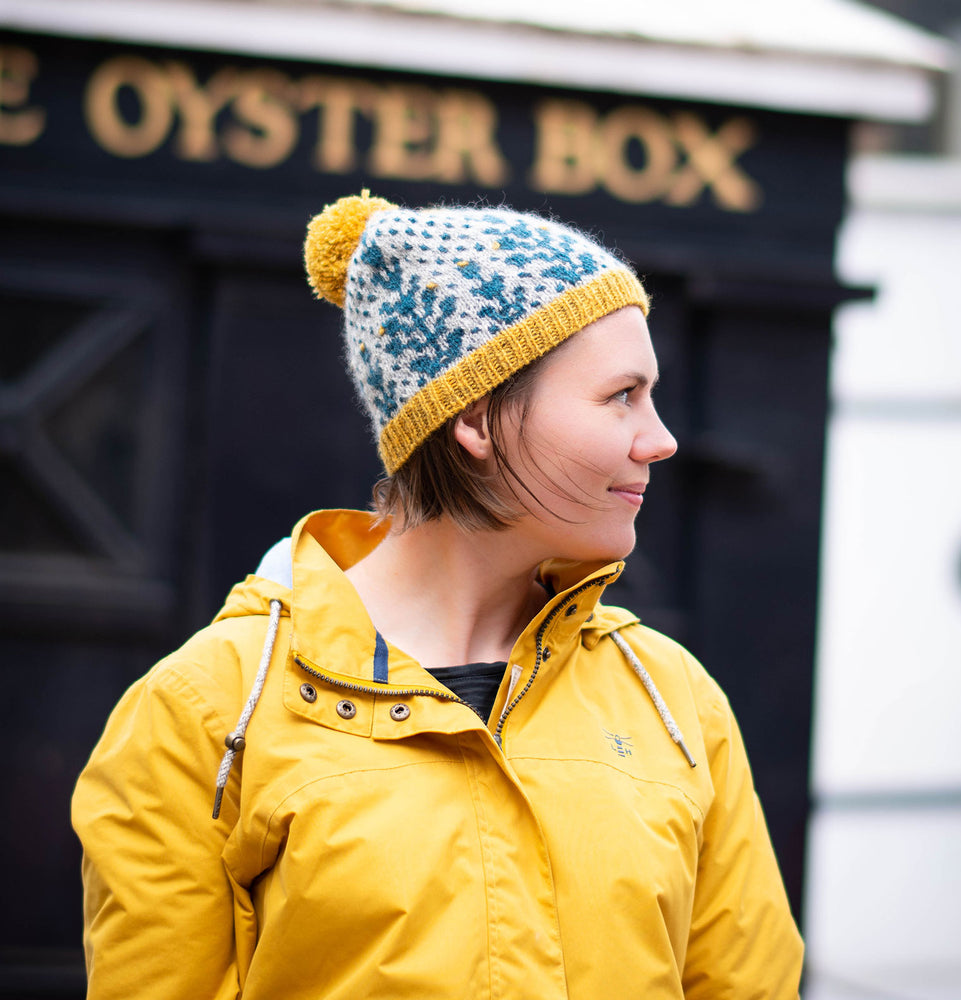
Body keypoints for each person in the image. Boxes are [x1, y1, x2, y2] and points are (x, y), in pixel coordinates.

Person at [72, 191, 804, 999]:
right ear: (478, 419)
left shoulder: (671, 700)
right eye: (620, 395)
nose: (660, 438)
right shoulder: (207, 713)